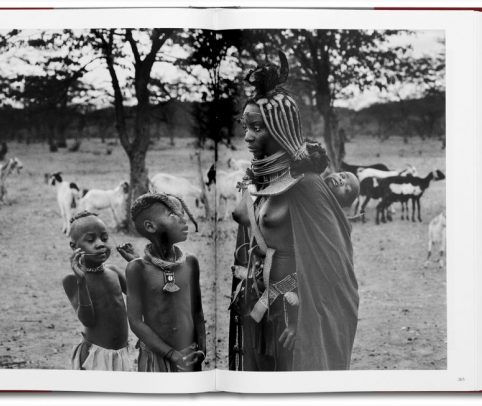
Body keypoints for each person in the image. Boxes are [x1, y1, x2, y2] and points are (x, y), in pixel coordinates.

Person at [229, 51, 359, 371]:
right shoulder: (264, 180)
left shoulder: (307, 185)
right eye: (245, 126)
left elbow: (336, 270)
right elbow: (244, 219)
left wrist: (304, 322)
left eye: (257, 128)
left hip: (297, 309)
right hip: (263, 298)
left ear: (280, 128)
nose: (247, 136)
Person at [126, 193, 206, 372]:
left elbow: (197, 312)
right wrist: (172, 355)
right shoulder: (137, 268)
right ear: (150, 226)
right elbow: (136, 321)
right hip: (156, 358)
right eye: (173, 215)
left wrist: (201, 351)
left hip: (190, 356)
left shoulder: (190, 262)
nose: (183, 220)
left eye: (183, 214)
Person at [62, 211, 133, 371]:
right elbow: (87, 320)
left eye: (104, 238)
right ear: (74, 246)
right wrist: (82, 281)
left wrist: (136, 263)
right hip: (95, 357)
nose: (100, 244)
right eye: (90, 239)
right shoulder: (72, 280)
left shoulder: (113, 271)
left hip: (121, 355)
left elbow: (141, 297)